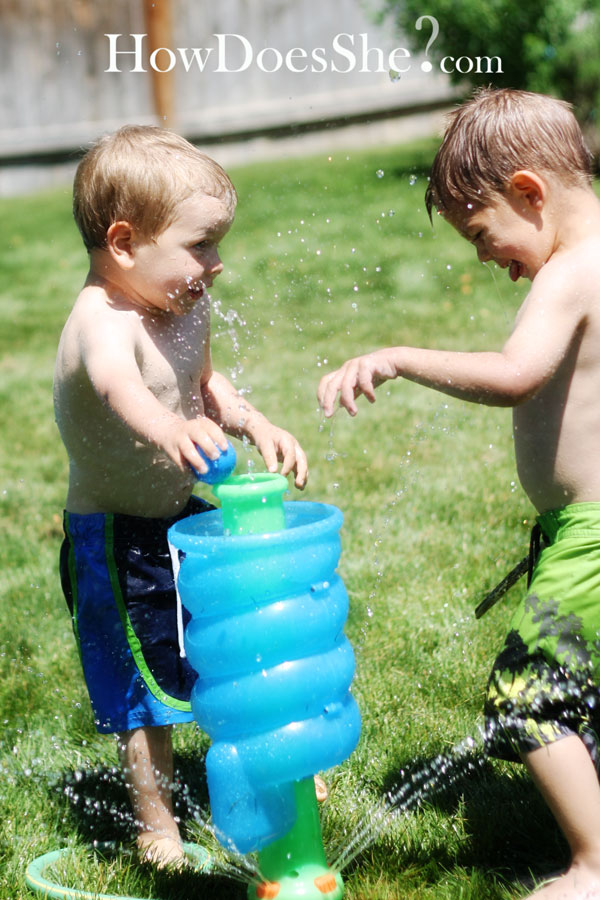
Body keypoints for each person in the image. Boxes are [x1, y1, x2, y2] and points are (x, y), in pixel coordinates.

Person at [318, 87, 600, 899]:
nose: (481, 255)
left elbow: (517, 377)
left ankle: (591, 864)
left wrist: (400, 355)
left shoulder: (569, 275)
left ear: (529, 192)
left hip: (588, 535)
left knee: (528, 699)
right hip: (579, 530)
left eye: (481, 231)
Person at [54, 125, 308, 868]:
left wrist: (252, 419)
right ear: (125, 242)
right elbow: (117, 386)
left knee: (231, 641)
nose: (216, 263)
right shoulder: (100, 320)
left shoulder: (180, 306)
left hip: (180, 520)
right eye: (200, 245)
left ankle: (270, 771)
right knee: (144, 692)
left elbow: (203, 383)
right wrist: (167, 428)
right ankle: (157, 824)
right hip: (114, 536)